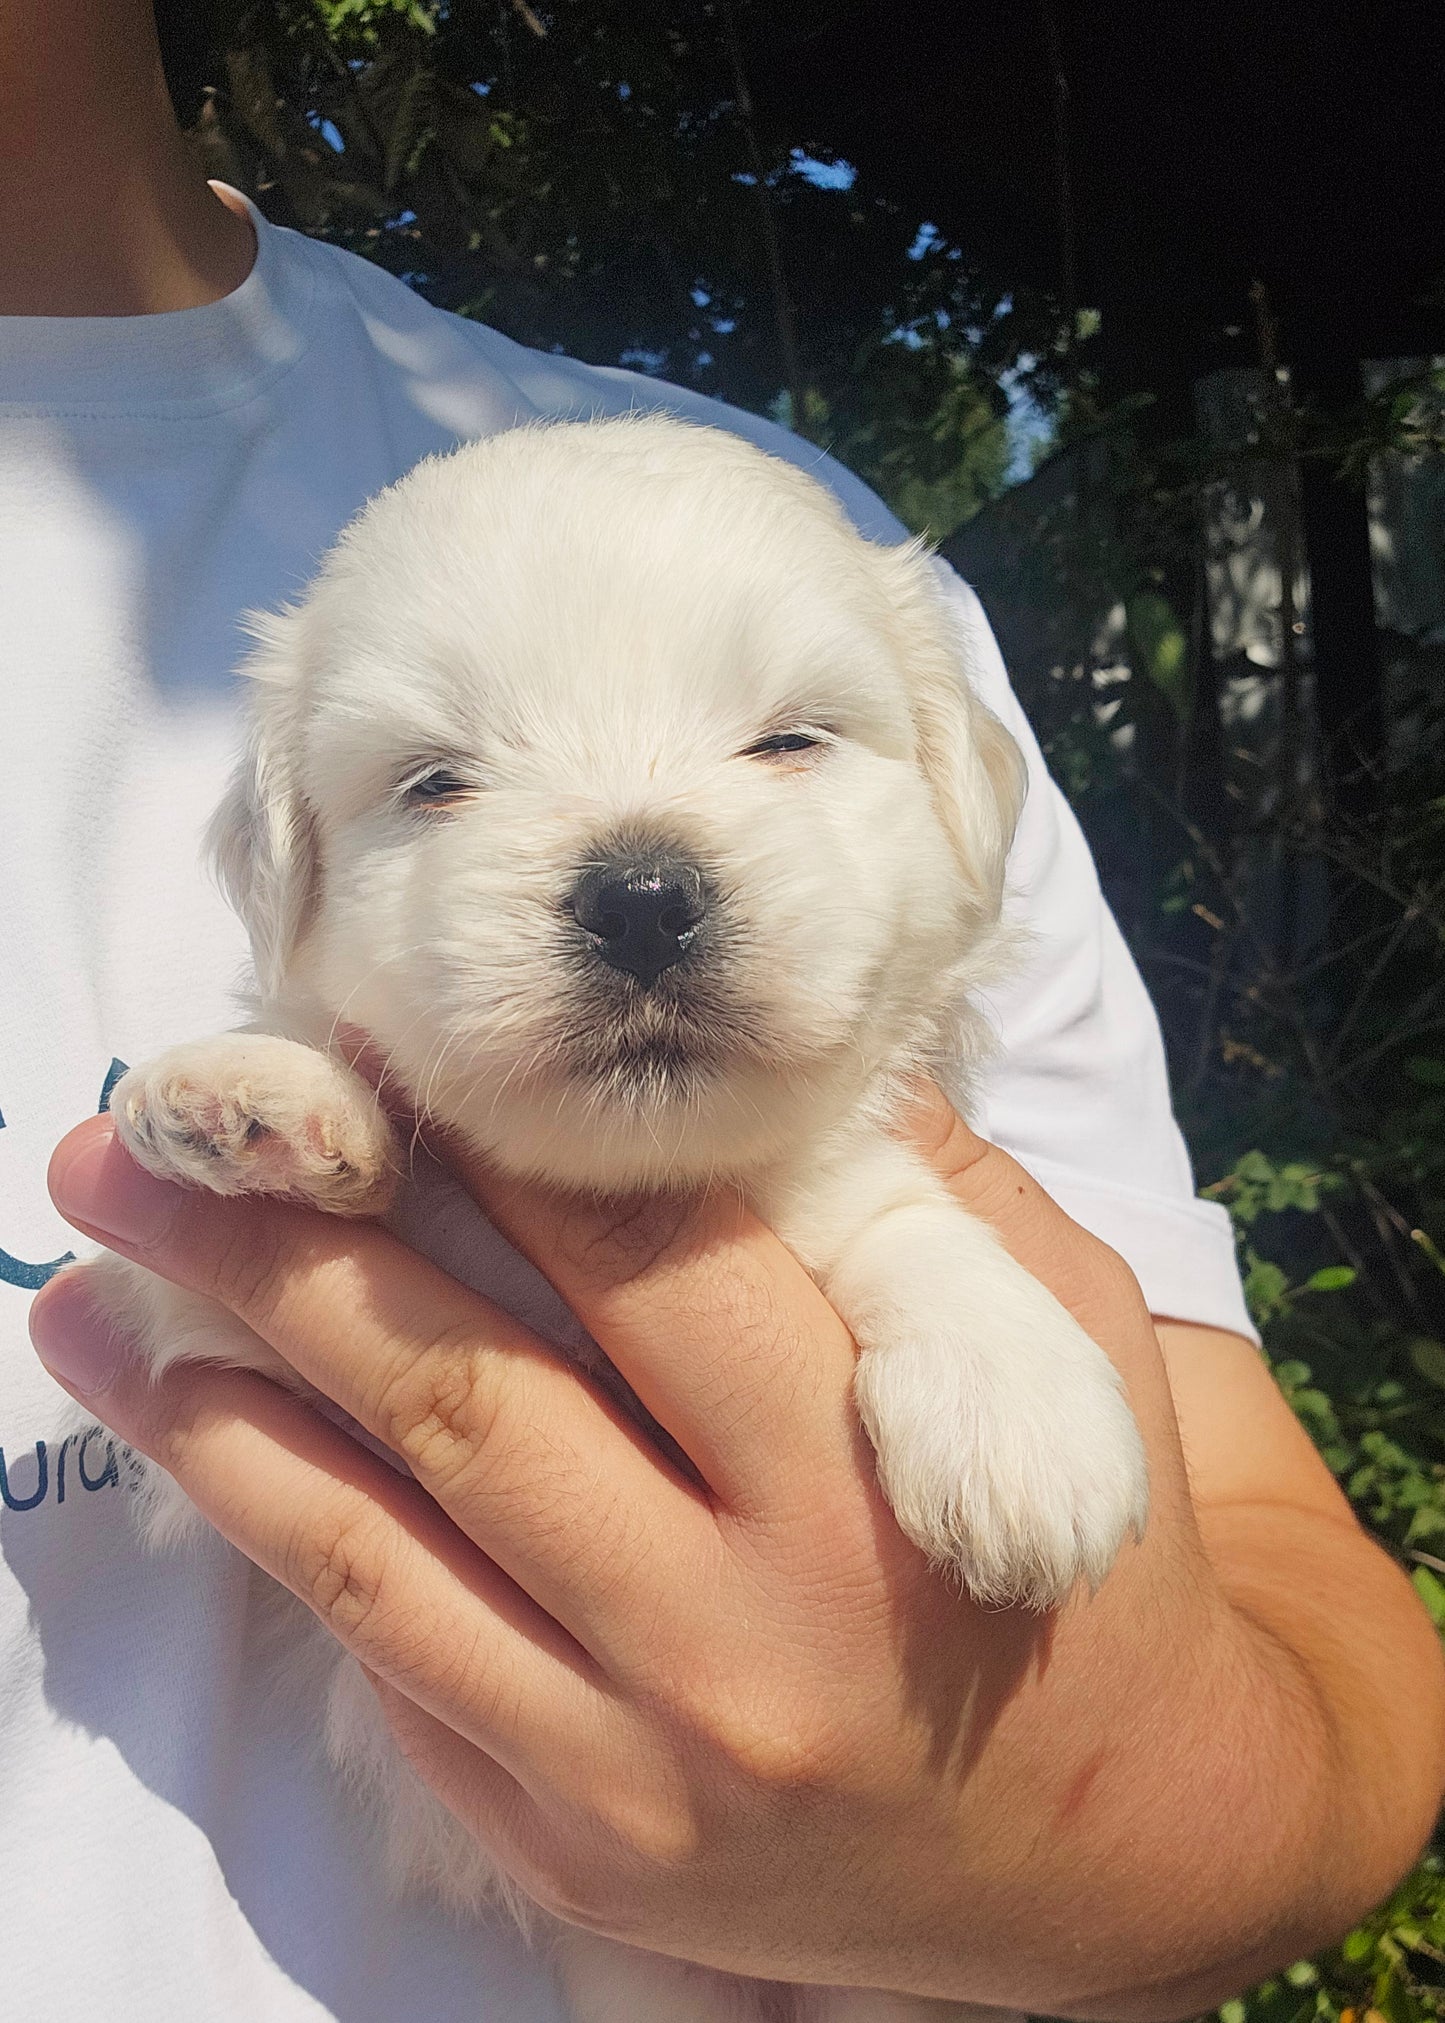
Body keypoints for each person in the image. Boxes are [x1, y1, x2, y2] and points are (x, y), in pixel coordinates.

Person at [2, 4, 1441, 2018]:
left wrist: (1102, 1812)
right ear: (288, 867)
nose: (641, 876)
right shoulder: (296, 1036)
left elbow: (1291, 1675)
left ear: (955, 802)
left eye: (782, 740)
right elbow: (192, 1316)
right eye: (438, 782)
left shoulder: (821, 539)